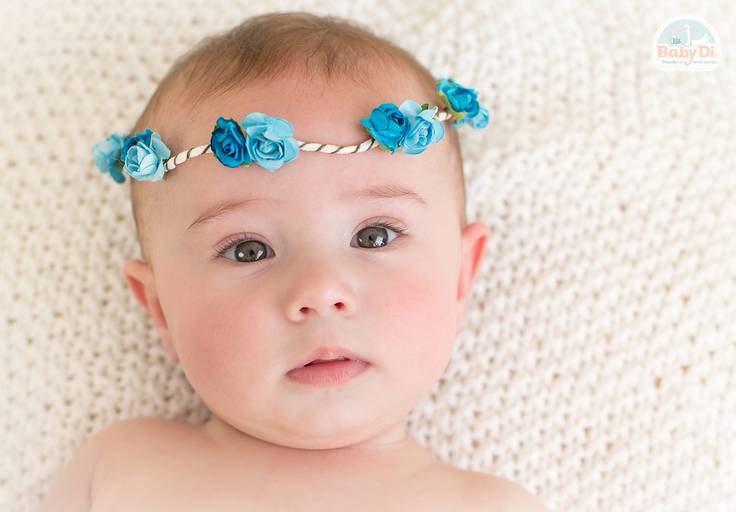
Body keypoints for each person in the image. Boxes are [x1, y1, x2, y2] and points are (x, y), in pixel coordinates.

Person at [39, 11, 548, 511]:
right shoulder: (124, 467)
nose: (320, 289)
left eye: (374, 236)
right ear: (161, 309)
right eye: (248, 250)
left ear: (461, 275)